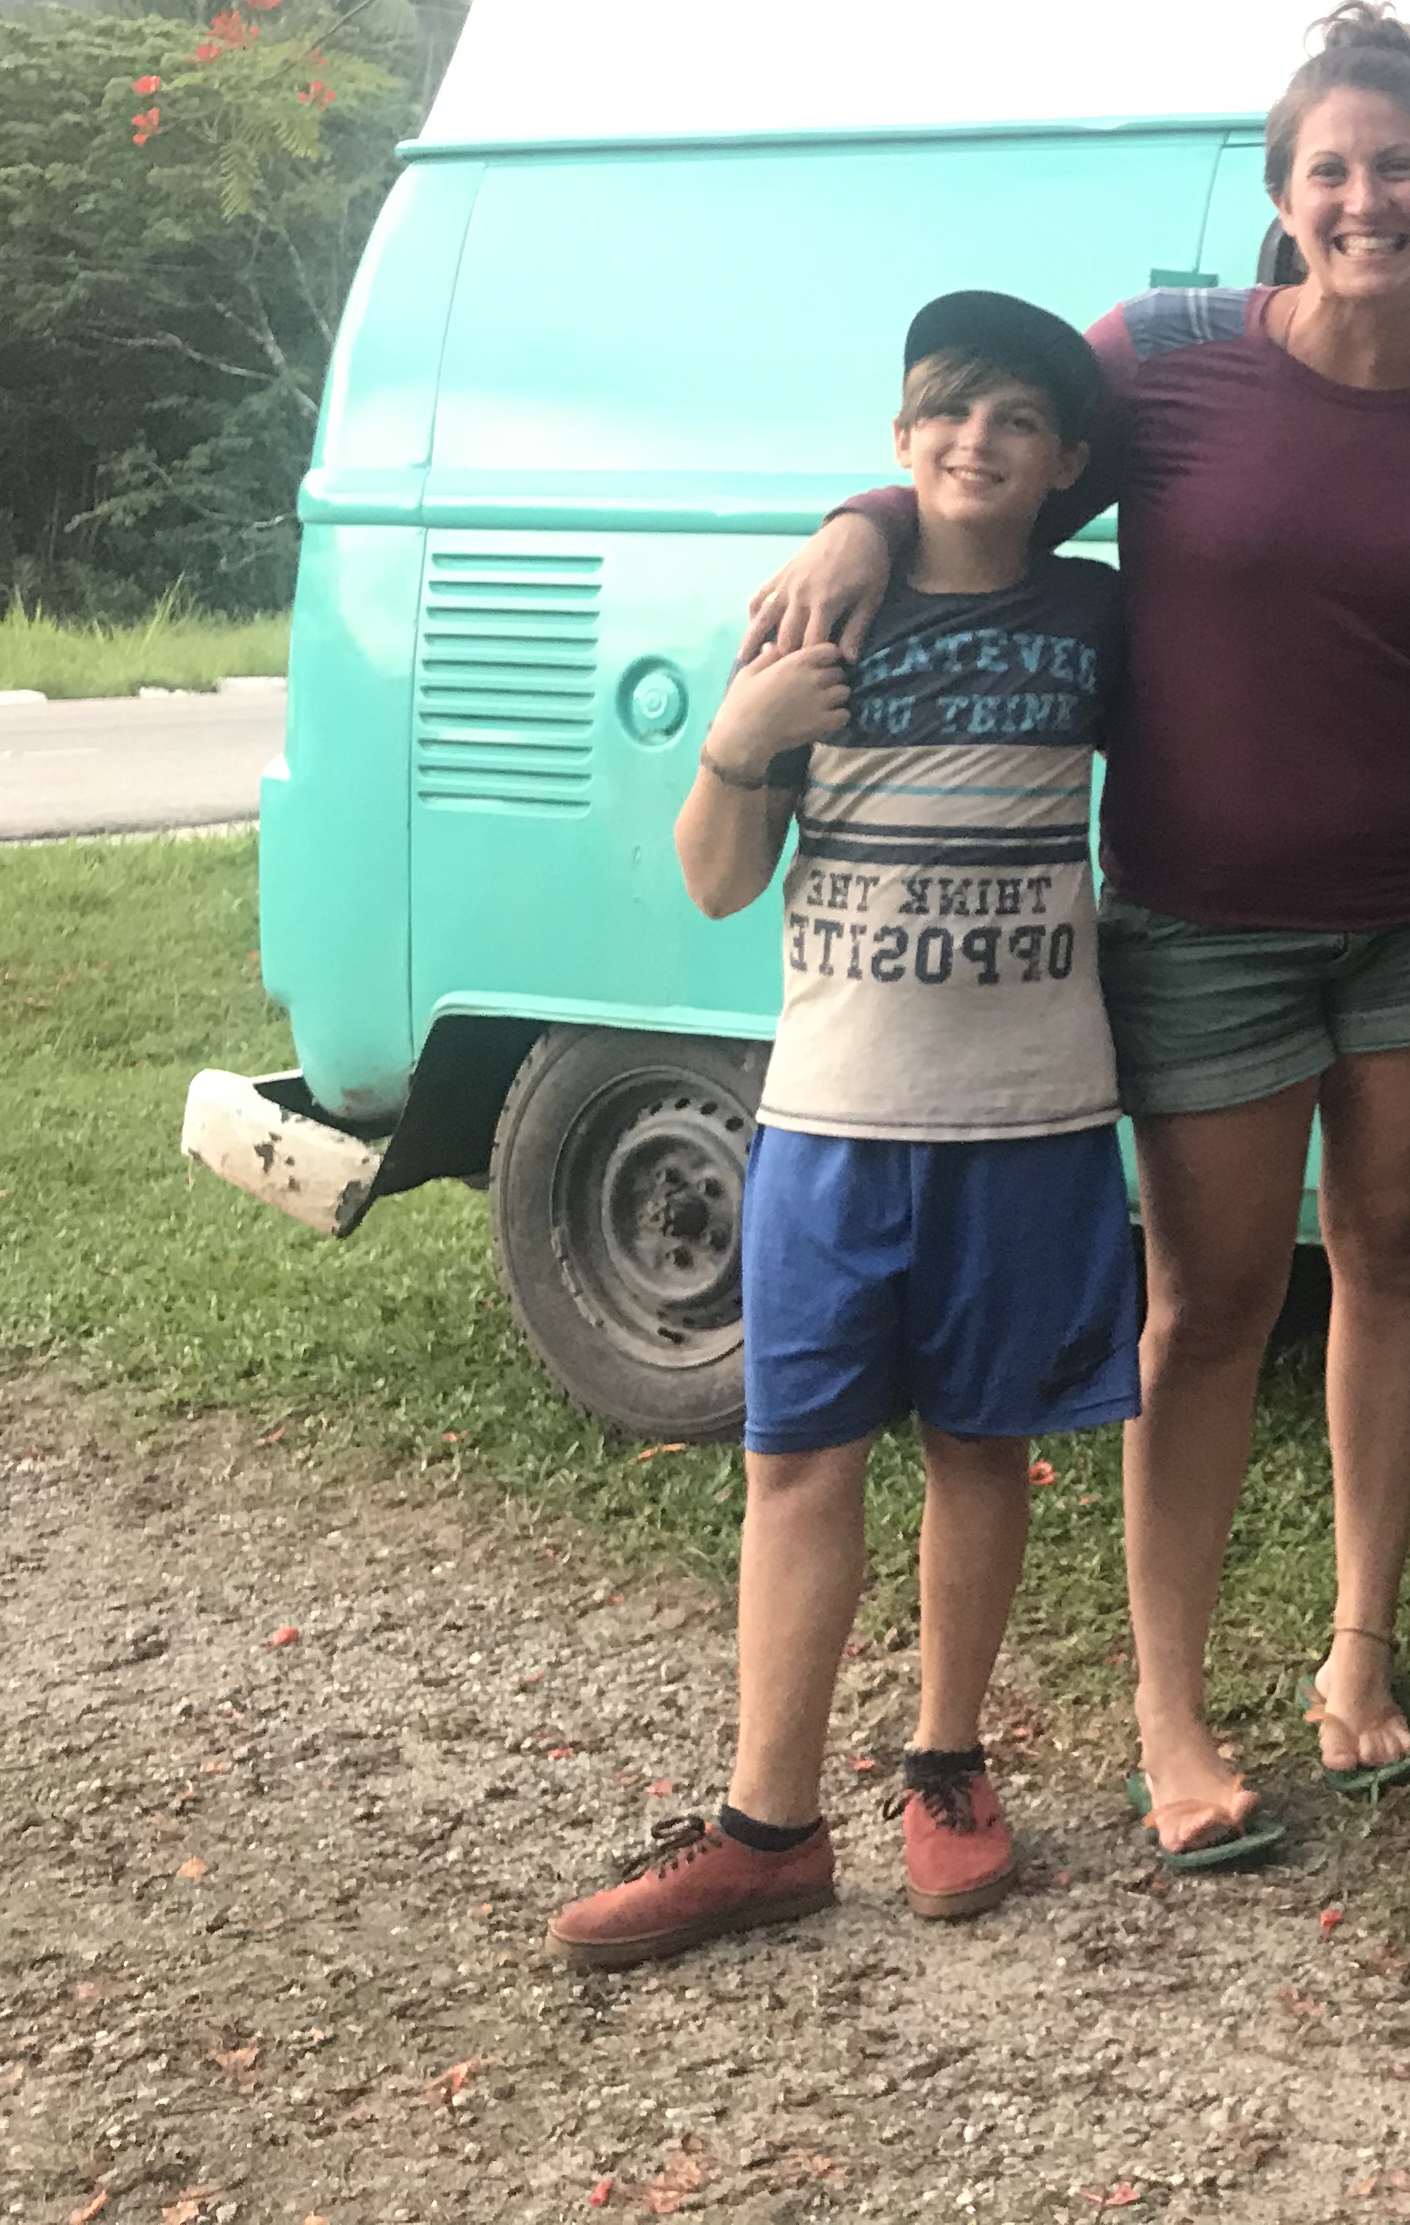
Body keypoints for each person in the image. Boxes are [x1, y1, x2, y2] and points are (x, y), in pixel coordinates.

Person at [739, 6, 1410, 1869]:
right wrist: (862, 522)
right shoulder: (1167, 360)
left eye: (1400, 168)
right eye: (1331, 170)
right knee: (1208, 1310)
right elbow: (991, 470)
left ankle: (1358, 1646)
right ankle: (1170, 1717)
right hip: (1203, 923)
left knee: (1396, 1262)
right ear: (1285, 197)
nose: (1366, 199)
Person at [547, 292, 1135, 1969]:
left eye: (1016, 421)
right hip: (830, 1118)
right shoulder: (820, 617)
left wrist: (863, 518)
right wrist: (736, 746)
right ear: (899, 437)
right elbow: (716, 882)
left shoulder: (1097, 616)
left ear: (1064, 463)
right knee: (796, 1459)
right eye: (947, 413)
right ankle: (768, 1829)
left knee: (981, 1447)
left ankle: (947, 1767)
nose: (976, 442)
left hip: (1028, 1118)